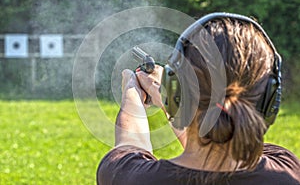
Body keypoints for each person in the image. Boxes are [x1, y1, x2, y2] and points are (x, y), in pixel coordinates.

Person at [97, 13, 300, 184]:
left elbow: (131, 146)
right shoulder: (287, 170)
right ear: (270, 99)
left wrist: (133, 91)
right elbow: (218, 142)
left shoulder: (129, 178)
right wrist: (170, 94)